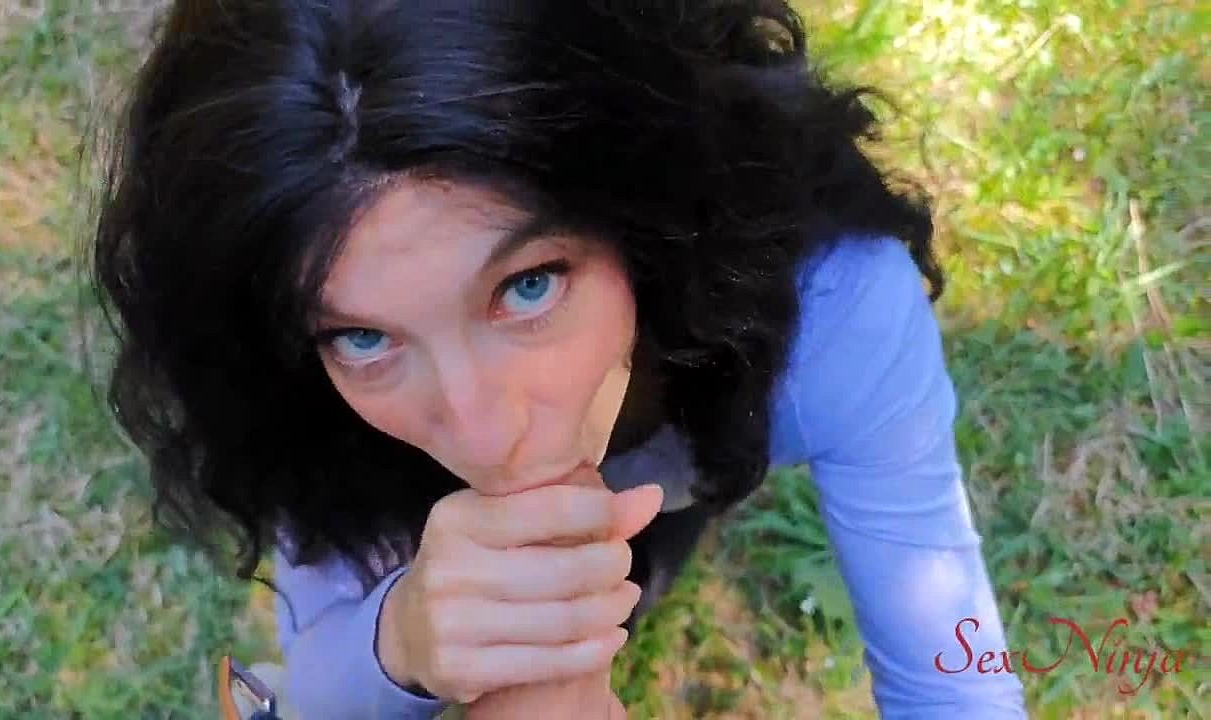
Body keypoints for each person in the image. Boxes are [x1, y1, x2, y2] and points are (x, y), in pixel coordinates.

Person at [87, 1, 1030, 718]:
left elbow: (952, 674)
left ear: (640, 207)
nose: (482, 429)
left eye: (529, 285)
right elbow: (310, 678)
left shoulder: (833, 308)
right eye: (362, 337)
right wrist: (401, 638)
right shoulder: (305, 396)